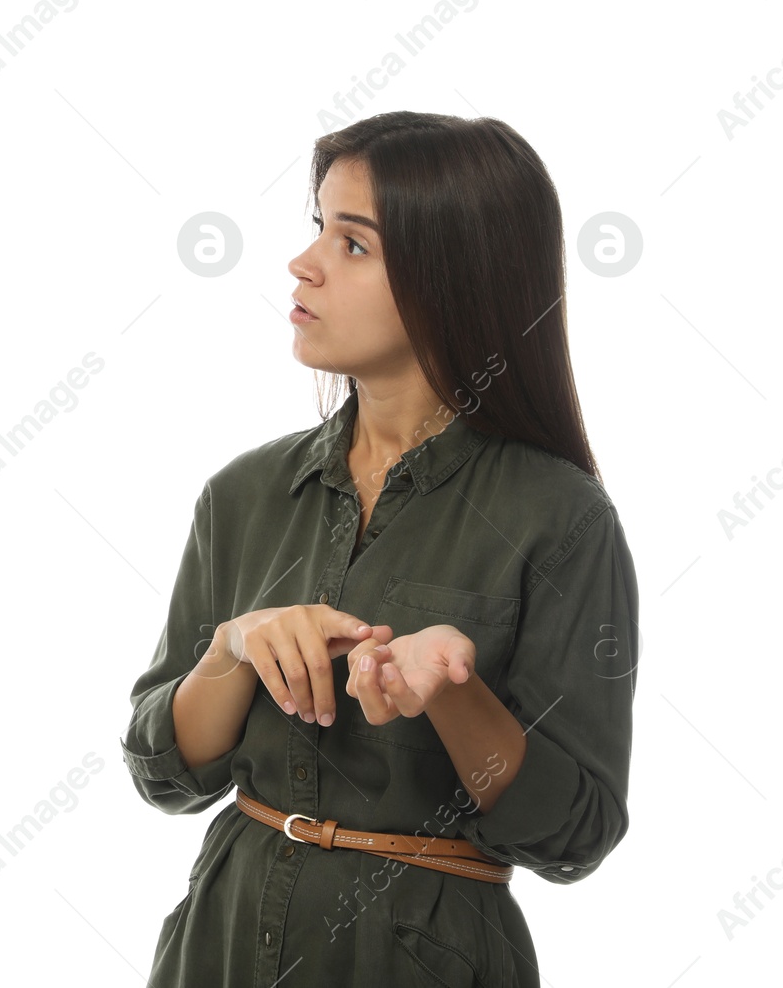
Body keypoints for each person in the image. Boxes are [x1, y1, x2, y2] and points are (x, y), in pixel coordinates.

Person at [121, 111, 638, 987]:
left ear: (455, 276)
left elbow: (575, 835)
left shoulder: (563, 519)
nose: (305, 262)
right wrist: (232, 647)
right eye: (317, 227)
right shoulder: (242, 494)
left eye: (353, 244)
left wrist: (453, 693)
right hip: (219, 942)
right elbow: (163, 769)